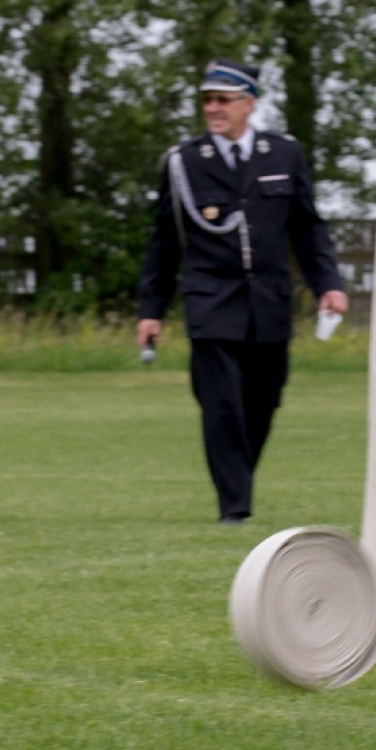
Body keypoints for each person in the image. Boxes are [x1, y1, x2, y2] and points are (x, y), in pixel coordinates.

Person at [137, 58, 349, 525]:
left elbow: (308, 228)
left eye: (223, 100)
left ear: (248, 103)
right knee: (222, 404)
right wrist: (150, 310)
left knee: (263, 401)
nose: (213, 109)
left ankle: (238, 481)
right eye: (207, 100)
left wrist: (327, 285)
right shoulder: (184, 162)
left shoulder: (284, 154)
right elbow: (164, 242)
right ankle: (235, 506)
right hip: (209, 301)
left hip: (268, 303)